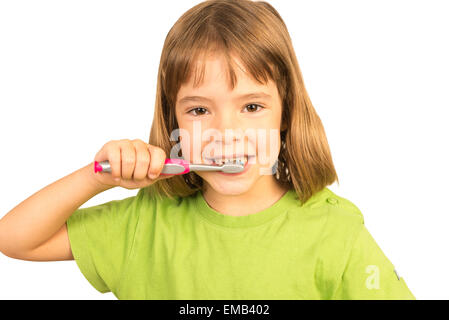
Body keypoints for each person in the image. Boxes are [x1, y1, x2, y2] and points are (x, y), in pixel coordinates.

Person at [0, 0, 415, 300]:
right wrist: (98, 176)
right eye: (199, 110)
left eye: (252, 107)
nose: (225, 132)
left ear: (286, 114)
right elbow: (16, 239)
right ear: (174, 121)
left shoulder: (335, 231)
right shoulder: (142, 224)